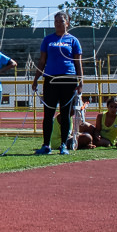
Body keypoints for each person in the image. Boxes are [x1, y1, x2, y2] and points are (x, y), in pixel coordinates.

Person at [31, 11, 84, 155]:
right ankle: (46, 145)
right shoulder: (48, 40)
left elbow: (78, 62)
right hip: (50, 79)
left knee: (66, 113)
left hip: (68, 78)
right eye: (56, 21)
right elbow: (42, 61)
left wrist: (80, 80)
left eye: (61, 21)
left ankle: (63, 145)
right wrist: (36, 79)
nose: (58, 24)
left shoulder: (73, 40)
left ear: (67, 23)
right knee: (48, 113)